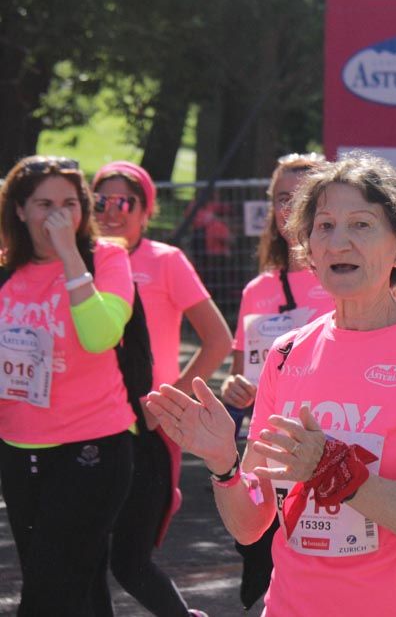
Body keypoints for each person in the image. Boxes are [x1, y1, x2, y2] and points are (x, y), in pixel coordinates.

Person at [147, 153, 396, 616]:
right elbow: (250, 525)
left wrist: (332, 469)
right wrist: (224, 464)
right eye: (325, 226)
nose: (339, 242)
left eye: (361, 224)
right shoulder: (287, 354)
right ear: (309, 247)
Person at [92, 161, 231, 617]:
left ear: (145, 211)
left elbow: (218, 340)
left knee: (130, 561)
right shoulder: (78, 262)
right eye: (100, 201)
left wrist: (167, 403)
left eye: (124, 202)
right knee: (83, 558)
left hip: (146, 433)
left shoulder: (166, 260)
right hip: (85, 426)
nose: (111, 212)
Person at [0, 155, 136, 616]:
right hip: (19, 448)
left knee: (48, 592)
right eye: (44, 205)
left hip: (92, 447)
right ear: (20, 210)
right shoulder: (6, 272)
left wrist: (68, 253)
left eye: (70, 204)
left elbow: (100, 336)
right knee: (79, 587)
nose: (58, 216)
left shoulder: (107, 258)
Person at [218, 152, 334, 607]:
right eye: (283, 198)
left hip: (333, 444)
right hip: (270, 454)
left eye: (304, 196)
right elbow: (240, 376)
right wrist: (233, 389)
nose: (292, 207)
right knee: (264, 577)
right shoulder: (258, 289)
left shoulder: (348, 279)